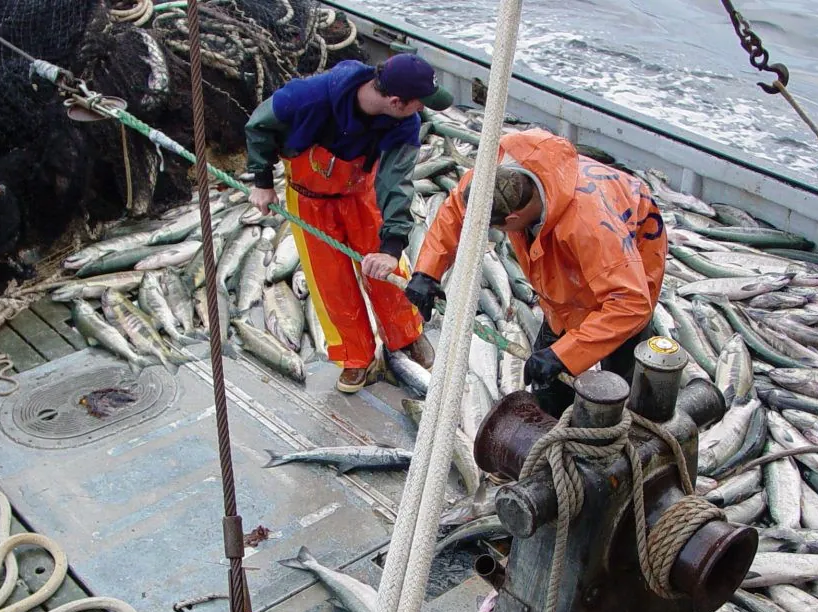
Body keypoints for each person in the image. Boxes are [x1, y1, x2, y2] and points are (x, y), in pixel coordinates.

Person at [407, 129, 667, 417]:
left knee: (622, 371)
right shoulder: (497, 170)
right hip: (573, 247)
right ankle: (554, 420)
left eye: (497, 228)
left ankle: (633, 424)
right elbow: (456, 210)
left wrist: (563, 355)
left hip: (629, 252)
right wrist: (426, 272)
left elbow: (631, 304)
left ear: (513, 219)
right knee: (549, 378)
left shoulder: (590, 229)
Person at [244, 53, 453, 393]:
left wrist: (393, 244)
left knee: (389, 272)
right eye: (419, 103)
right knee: (331, 282)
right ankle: (356, 358)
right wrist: (262, 180)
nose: (422, 111)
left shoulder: (404, 122)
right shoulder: (309, 96)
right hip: (308, 201)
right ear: (396, 101)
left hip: (361, 196)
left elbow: (396, 182)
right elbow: (258, 125)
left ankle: (405, 338)